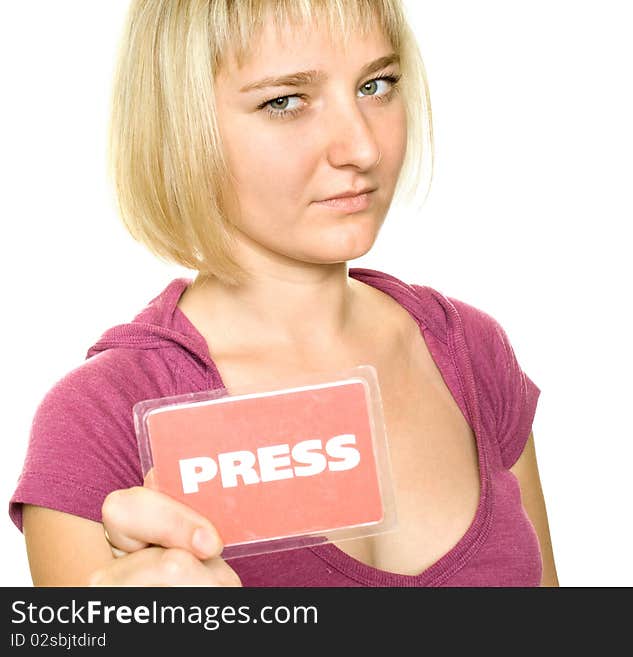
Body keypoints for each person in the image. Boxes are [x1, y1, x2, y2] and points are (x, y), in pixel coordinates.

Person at [9, 0, 558, 587]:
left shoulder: (470, 351)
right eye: (284, 101)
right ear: (180, 124)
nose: (362, 148)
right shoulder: (101, 420)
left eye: (376, 85)